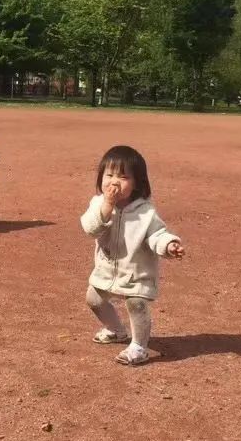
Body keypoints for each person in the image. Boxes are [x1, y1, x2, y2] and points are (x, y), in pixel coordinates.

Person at [80, 145, 184, 365]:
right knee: (94, 299)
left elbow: (157, 234)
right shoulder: (98, 203)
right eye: (109, 175)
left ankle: (139, 346)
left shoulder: (145, 212)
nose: (114, 181)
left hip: (136, 270)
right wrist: (107, 204)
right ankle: (116, 329)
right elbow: (90, 228)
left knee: (136, 303)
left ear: (138, 183)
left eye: (124, 176)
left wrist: (169, 245)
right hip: (107, 269)